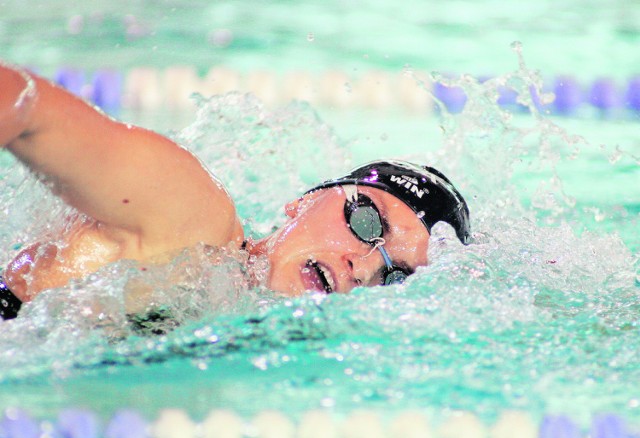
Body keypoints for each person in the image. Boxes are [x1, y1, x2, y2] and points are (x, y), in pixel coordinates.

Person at [0, 62, 471, 320]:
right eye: (367, 223)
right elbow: (24, 107)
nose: (362, 266)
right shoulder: (189, 217)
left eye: (395, 276)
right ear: (304, 200)